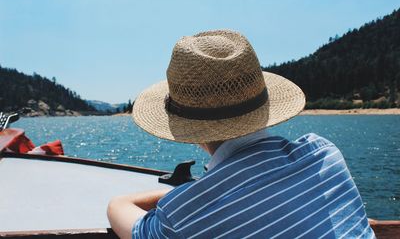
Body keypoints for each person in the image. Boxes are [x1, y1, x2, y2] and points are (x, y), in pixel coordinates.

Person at [107, 30, 375, 238]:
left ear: (187, 128)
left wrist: (188, 194)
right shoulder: (324, 156)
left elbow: (118, 207)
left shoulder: (181, 219)